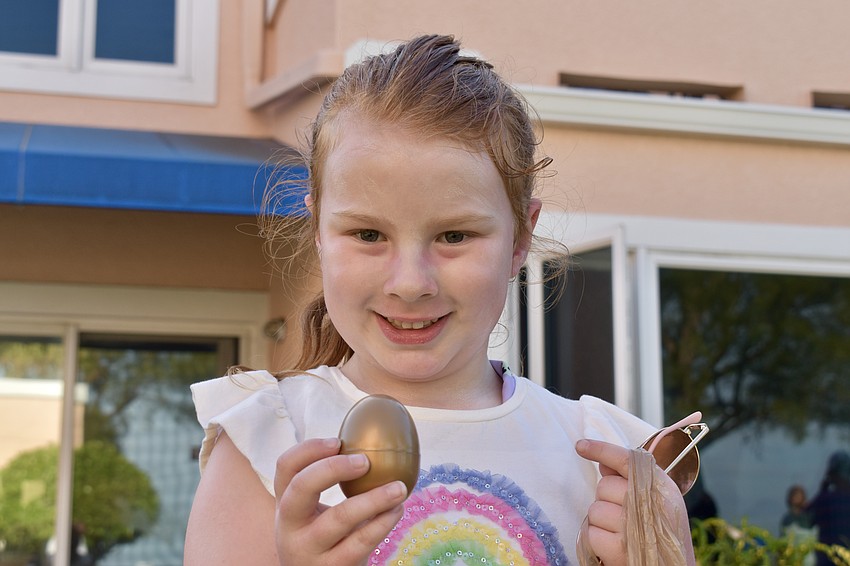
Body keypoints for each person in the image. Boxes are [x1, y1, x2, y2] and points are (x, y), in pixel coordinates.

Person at [184, 34, 695, 566]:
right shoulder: (266, 441)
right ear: (317, 229)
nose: (410, 282)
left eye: (454, 236)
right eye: (366, 235)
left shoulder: (606, 463)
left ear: (521, 237)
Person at [809, 450, 850, 566]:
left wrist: (823, 490)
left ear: (832, 475)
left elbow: (805, 520)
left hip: (827, 559)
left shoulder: (825, 499)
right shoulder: (826, 498)